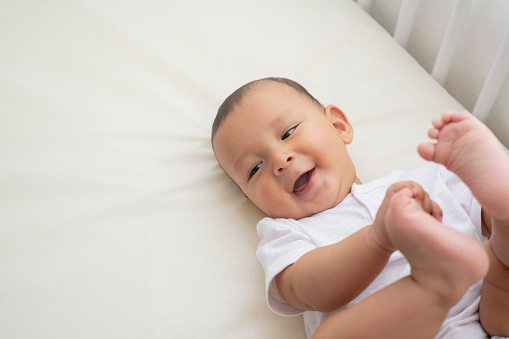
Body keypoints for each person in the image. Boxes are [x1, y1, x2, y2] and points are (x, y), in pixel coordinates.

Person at [211, 77, 509, 338]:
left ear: (338, 126)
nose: (279, 160)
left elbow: (485, 221)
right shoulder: (285, 233)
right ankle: (431, 287)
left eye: (288, 133)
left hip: (488, 322)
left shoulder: (430, 181)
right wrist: (377, 239)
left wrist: (496, 213)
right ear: (251, 199)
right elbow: (309, 289)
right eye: (254, 168)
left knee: (501, 253)